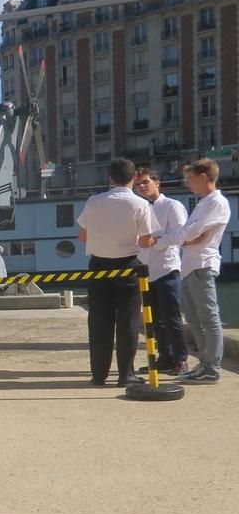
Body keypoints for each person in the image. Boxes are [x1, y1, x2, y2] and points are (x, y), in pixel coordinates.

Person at [140, 158, 231, 383]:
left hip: (203, 264)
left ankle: (212, 367)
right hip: (190, 267)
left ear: (203, 177)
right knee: (193, 318)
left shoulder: (217, 203)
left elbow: (190, 233)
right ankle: (204, 362)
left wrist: (172, 238)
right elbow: (187, 234)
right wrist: (185, 237)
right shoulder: (202, 203)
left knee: (209, 317)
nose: (186, 183)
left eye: (189, 178)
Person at [76, 158, 154, 387]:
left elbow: (82, 237)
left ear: (110, 178)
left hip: (98, 267)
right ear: (135, 177)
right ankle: (125, 375)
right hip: (128, 265)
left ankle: (99, 374)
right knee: (128, 320)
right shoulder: (140, 205)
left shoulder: (93, 201)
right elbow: (147, 239)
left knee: (99, 321)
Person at [132, 169, 189, 375]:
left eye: (146, 182)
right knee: (155, 320)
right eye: (138, 184)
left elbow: (180, 235)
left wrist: (155, 241)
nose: (142, 187)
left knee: (172, 317)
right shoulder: (140, 208)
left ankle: (181, 359)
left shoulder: (172, 206)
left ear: (157, 183)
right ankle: (164, 357)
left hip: (167, 269)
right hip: (147, 271)